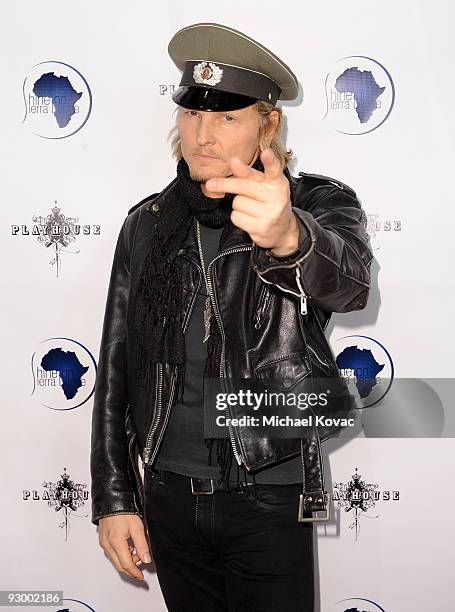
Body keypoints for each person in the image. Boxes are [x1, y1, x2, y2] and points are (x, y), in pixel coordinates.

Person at [90, 22, 373, 612]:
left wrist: (292, 236)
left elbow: (349, 284)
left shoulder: (318, 205)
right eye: (193, 114)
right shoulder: (147, 224)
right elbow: (115, 367)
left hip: (267, 492)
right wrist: (116, 498)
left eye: (227, 117)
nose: (203, 133)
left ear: (266, 125)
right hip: (166, 492)